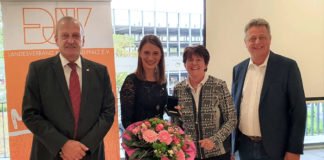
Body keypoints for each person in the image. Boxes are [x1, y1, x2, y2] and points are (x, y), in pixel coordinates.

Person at [22, 16, 115, 160]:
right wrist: (63, 144)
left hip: (89, 153)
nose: (71, 40)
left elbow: (108, 112)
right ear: (56, 39)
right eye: (65, 35)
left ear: (83, 40)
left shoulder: (100, 72)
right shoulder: (38, 70)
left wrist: (83, 147)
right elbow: (30, 114)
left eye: (76, 35)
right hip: (49, 153)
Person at [231, 18, 306, 160]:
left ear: (270, 39)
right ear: (245, 42)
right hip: (244, 147)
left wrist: (294, 150)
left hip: (276, 148)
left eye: (262, 37)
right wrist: (231, 148)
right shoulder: (238, 69)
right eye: (252, 38)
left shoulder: (287, 67)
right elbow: (234, 109)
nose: (257, 42)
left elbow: (299, 111)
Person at [173, 45, 237, 160]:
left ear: (206, 64)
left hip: (217, 153)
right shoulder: (178, 89)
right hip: (189, 154)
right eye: (190, 60)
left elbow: (231, 119)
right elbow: (175, 122)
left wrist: (214, 140)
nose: (194, 63)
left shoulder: (219, 85)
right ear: (185, 64)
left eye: (198, 60)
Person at [120, 34, 167, 130]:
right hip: (138, 142)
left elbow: (160, 112)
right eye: (146, 53)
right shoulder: (131, 82)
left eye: (155, 53)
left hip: (160, 142)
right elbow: (126, 121)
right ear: (140, 53)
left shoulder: (162, 81)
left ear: (161, 55)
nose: (150, 58)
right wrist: (141, 141)